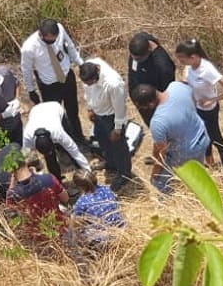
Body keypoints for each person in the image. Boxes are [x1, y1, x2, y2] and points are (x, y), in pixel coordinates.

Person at [130, 82, 210, 194]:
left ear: (151, 104)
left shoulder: (158, 121)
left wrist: (155, 174)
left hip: (187, 150)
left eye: (142, 107)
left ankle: (168, 202)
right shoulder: (176, 86)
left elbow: (162, 154)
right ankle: (200, 192)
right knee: (197, 174)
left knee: (159, 182)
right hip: (202, 136)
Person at [175, 38, 223, 171]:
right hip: (197, 108)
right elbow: (187, 78)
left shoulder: (207, 70)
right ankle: (211, 165)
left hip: (209, 110)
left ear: (193, 57)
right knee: (204, 138)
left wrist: (213, 99)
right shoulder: (190, 67)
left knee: (216, 138)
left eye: (182, 59)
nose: (180, 62)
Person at [20, 19, 88, 144]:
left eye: (55, 39)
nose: (54, 42)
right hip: (49, 86)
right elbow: (26, 70)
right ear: (41, 35)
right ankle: (61, 143)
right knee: (55, 117)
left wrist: (81, 63)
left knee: (73, 111)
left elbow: (70, 46)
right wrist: (31, 90)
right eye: (50, 40)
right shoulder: (29, 48)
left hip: (67, 77)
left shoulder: (60, 29)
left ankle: (79, 137)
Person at [80, 58, 132, 191]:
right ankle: (111, 163)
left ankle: (124, 173)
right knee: (102, 140)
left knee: (118, 146)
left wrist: (117, 129)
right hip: (98, 115)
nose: (89, 85)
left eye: (92, 82)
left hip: (112, 117)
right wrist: (90, 108)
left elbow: (120, 108)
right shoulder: (88, 68)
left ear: (97, 73)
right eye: (87, 83)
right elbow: (87, 92)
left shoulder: (113, 83)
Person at [6, 149, 69, 242]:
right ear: (26, 162)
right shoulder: (48, 178)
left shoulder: (13, 194)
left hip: (37, 238)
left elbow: (11, 217)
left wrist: (12, 185)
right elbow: (65, 198)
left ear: (11, 170)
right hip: (59, 228)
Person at [22, 101, 91, 181]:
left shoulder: (58, 133)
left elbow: (74, 151)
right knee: (50, 158)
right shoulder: (27, 136)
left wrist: (88, 171)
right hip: (35, 111)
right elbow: (27, 158)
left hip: (55, 108)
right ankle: (57, 181)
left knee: (69, 148)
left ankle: (81, 174)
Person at [128, 32, 177, 127]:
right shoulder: (138, 46)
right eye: (134, 57)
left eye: (139, 59)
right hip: (139, 95)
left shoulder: (163, 65)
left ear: (149, 50)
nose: (136, 60)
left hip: (152, 102)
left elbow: (167, 90)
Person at [70, 169, 126, 248]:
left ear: (79, 186)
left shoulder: (82, 202)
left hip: (104, 238)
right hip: (121, 228)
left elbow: (75, 223)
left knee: (75, 228)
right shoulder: (107, 189)